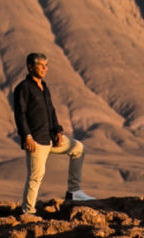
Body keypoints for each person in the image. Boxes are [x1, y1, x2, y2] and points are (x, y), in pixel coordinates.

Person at [10, 52, 93, 217]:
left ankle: (74, 191)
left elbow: (51, 111)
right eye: (41, 65)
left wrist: (58, 131)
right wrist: (27, 136)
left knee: (78, 149)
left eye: (46, 65)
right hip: (36, 140)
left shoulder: (44, 87)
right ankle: (28, 212)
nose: (44, 69)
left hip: (50, 138)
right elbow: (20, 114)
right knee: (36, 176)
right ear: (30, 66)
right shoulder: (23, 88)